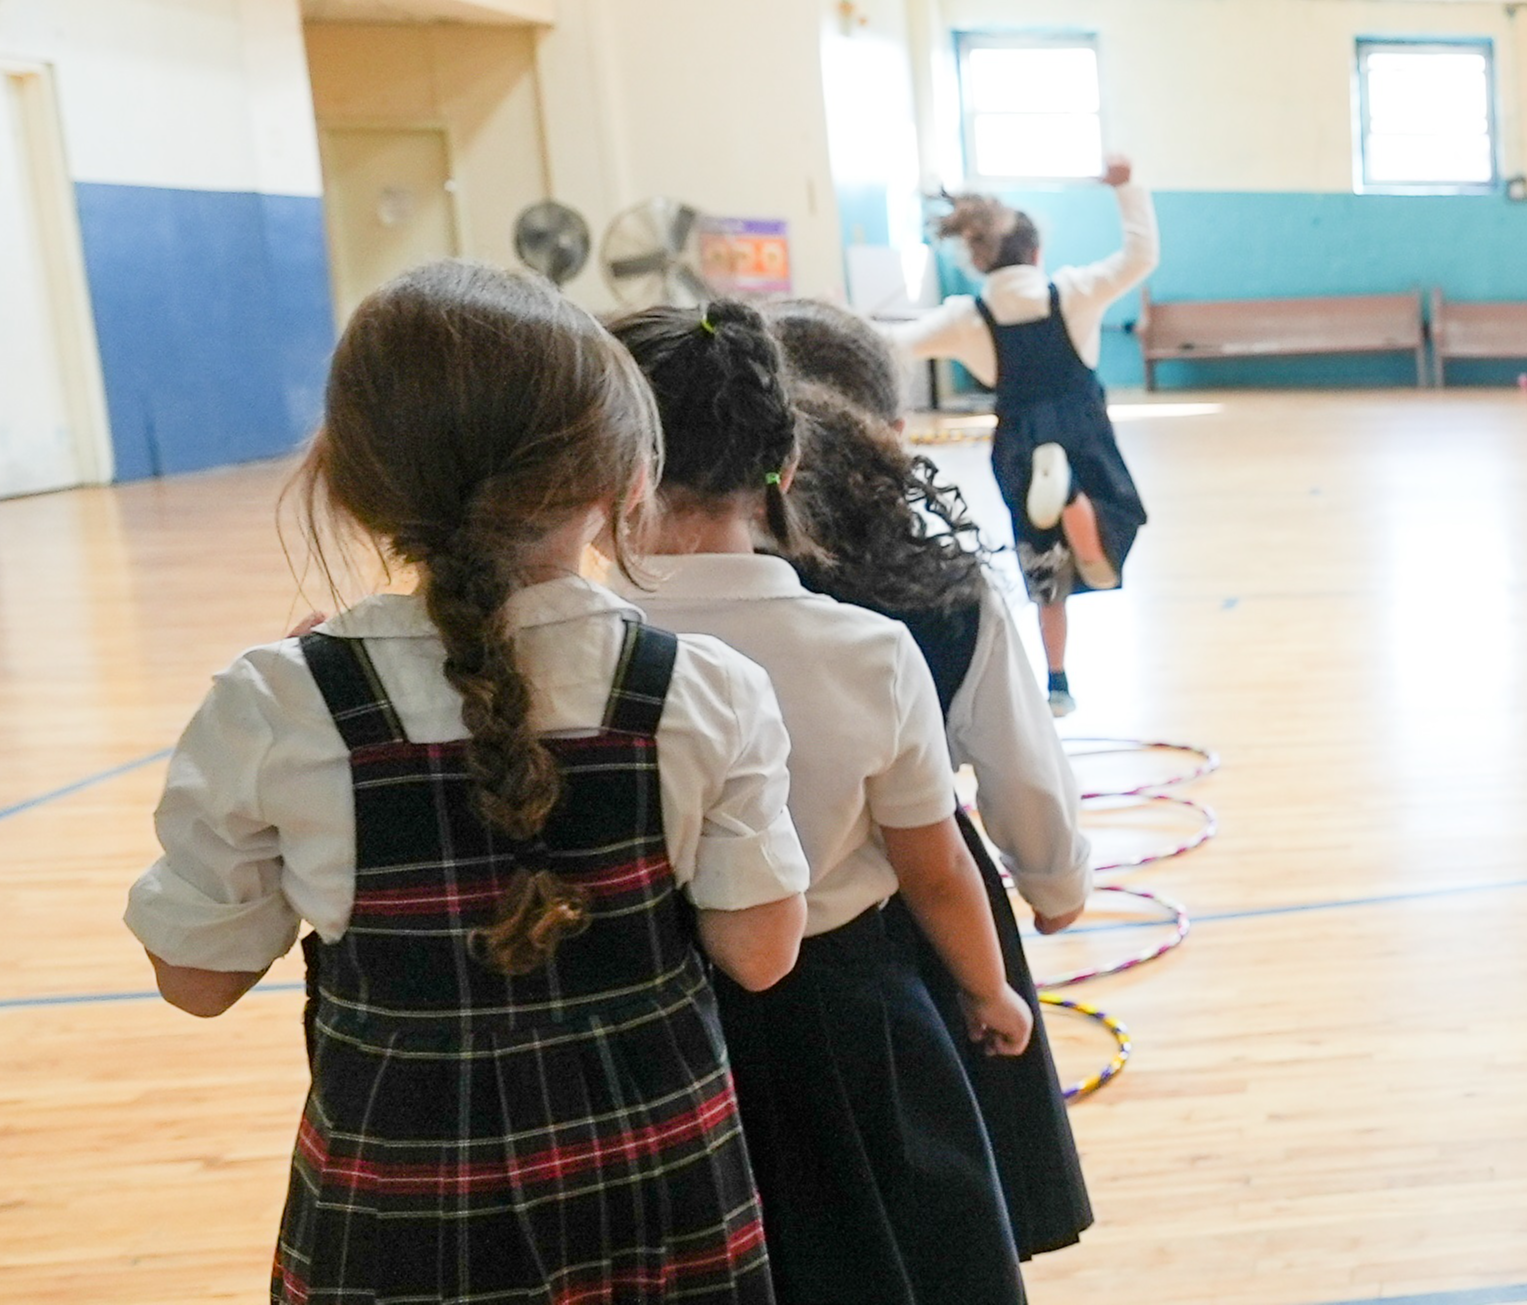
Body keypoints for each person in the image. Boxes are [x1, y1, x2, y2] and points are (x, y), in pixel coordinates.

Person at [124, 260, 809, 1303]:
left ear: (351, 480)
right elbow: (760, 956)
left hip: (401, 1209)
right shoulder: (703, 690)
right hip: (657, 1192)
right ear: (622, 478)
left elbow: (197, 982)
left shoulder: (279, 702)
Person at [613, 300, 1040, 1305]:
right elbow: (934, 868)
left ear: (612, 469)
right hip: (847, 1026)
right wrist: (988, 992)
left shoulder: (571, 648)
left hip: (647, 1035)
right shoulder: (864, 650)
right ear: (785, 468)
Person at [767, 295, 1100, 1255]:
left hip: (725, 941)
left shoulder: (681, 596)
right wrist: (1055, 883)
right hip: (915, 926)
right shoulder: (942, 587)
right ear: (891, 432)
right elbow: (1018, 767)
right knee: (942, 1208)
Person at [894, 156, 1157, 717]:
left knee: (1042, 569)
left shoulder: (970, 315)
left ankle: (1058, 683)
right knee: (1121, 515)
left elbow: (895, 343)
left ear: (982, 256)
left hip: (1017, 440)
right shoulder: (1073, 292)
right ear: (1036, 253)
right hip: (1081, 430)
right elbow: (1141, 256)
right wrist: (1127, 188)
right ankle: (1077, 510)